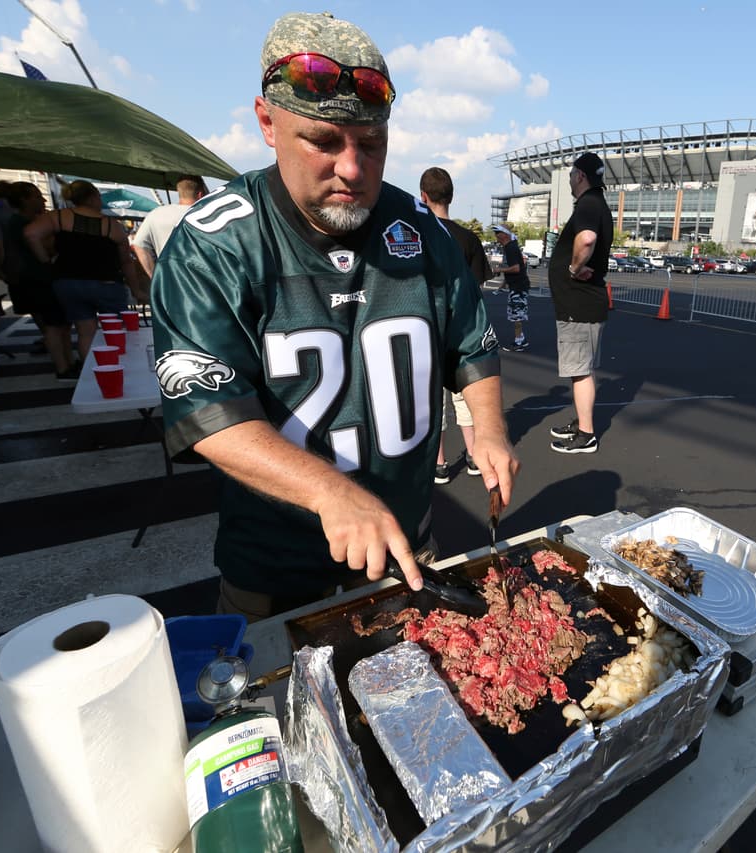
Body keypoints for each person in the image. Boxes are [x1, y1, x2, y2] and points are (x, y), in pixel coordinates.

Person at [151, 12, 518, 621]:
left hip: (410, 550)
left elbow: (472, 346)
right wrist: (328, 491)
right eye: (324, 142)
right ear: (267, 123)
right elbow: (208, 413)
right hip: (278, 569)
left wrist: (492, 428)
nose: (352, 169)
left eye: (371, 145)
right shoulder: (215, 244)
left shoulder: (421, 232)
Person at [419, 166, 492, 484]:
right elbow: (476, 289)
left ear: (423, 196)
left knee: (433, 401)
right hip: (462, 334)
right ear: (451, 196)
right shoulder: (468, 238)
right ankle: (474, 455)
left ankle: (439, 463)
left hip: (429, 332)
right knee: (465, 399)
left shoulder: (418, 236)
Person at [25, 180, 147, 364]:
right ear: (93, 197)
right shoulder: (111, 225)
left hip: (69, 283)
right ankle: (120, 368)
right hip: (106, 283)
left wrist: (46, 261)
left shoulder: (58, 217)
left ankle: (91, 371)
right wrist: (136, 290)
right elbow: (126, 262)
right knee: (115, 330)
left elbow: (31, 234)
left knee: (85, 332)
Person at [546, 151, 613, 454]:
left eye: (572, 174)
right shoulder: (596, 204)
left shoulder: (588, 204)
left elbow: (586, 239)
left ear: (581, 176)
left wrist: (573, 268)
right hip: (582, 305)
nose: (571, 179)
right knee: (581, 369)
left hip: (579, 305)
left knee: (581, 370)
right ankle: (582, 422)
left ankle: (586, 434)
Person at [0, 182, 77, 379]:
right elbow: (48, 247)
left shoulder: (18, 222)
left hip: (34, 279)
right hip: (37, 279)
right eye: (36, 196)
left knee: (60, 324)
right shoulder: (24, 224)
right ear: (24, 200)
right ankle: (63, 367)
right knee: (54, 325)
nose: (42, 199)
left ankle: (69, 362)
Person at [132, 175, 209, 278]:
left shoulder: (156, 214)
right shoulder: (205, 215)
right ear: (200, 194)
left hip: (169, 279)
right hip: (201, 280)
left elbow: (138, 245)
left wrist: (154, 277)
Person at [492, 225, 531, 351]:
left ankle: (519, 342)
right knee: (515, 315)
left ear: (505, 234)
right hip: (517, 286)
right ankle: (521, 339)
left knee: (517, 316)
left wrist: (499, 269)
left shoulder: (510, 248)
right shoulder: (509, 247)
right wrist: (502, 286)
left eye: (498, 232)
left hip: (519, 287)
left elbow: (516, 268)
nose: (496, 236)